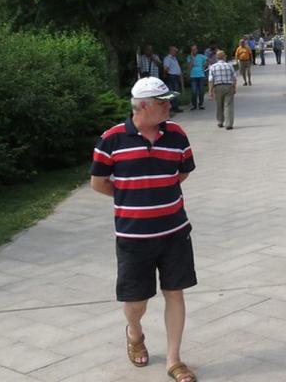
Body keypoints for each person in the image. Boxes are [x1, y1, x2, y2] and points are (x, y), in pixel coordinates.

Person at [90, 77, 198, 382]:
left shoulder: (176, 134)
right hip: (134, 236)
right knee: (136, 300)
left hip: (175, 231)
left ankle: (174, 360)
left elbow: (183, 172)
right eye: (163, 102)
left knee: (174, 292)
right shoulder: (111, 139)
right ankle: (134, 332)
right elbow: (98, 183)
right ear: (144, 106)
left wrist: (157, 189)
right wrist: (130, 196)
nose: (169, 107)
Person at [208, 50, 237, 129]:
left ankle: (220, 121)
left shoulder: (213, 67)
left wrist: (210, 91)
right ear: (224, 57)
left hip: (218, 87)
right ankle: (229, 124)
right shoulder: (229, 65)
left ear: (217, 57)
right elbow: (234, 77)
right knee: (228, 105)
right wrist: (234, 87)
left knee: (219, 105)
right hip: (228, 86)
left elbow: (211, 80)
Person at [162, 46, 184, 113]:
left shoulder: (174, 58)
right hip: (172, 77)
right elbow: (165, 68)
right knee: (173, 92)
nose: (176, 52)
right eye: (175, 51)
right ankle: (174, 107)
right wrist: (168, 73)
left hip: (175, 77)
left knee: (174, 92)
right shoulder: (168, 58)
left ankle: (174, 106)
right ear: (171, 51)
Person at [186, 45, 207, 111]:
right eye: (192, 49)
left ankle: (201, 104)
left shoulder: (201, 56)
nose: (194, 51)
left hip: (201, 75)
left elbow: (208, 60)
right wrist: (192, 58)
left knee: (201, 91)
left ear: (197, 50)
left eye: (195, 49)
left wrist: (205, 65)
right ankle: (194, 105)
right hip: (193, 76)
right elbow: (189, 67)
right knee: (194, 91)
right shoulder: (189, 57)